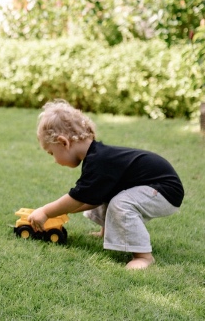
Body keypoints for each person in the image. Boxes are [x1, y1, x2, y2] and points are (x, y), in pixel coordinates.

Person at [27, 99, 183, 269]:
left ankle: (143, 257)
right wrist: (56, 212)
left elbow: (78, 197)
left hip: (164, 190)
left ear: (64, 142)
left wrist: (46, 211)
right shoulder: (96, 158)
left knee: (121, 202)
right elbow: (91, 198)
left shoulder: (99, 160)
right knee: (104, 193)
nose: (54, 160)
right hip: (152, 186)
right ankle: (107, 232)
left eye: (51, 153)